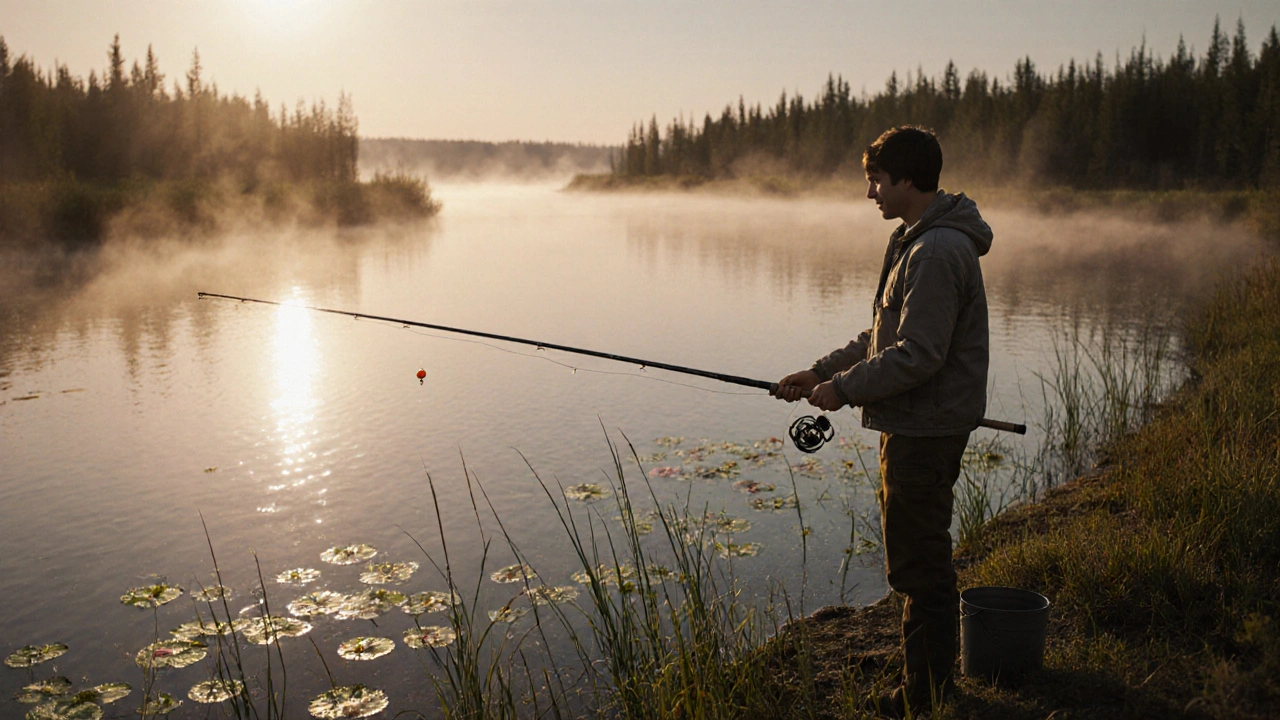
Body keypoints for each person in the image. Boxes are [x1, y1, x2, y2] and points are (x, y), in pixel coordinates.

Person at [771, 125, 993, 716]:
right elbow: (881, 338)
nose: (871, 192)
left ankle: (928, 697)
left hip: (926, 428)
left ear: (907, 180)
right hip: (917, 423)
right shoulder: (914, 240)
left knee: (919, 565)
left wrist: (839, 391)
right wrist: (815, 373)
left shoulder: (938, 251)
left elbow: (918, 355)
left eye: (876, 180)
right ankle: (931, 685)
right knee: (919, 558)